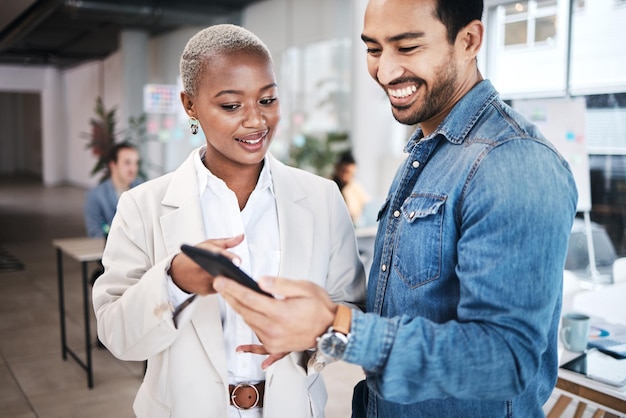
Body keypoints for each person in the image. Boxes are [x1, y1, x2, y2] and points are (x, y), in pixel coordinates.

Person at [214, 1, 579, 417]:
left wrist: (337, 325)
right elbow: (411, 310)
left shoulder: (511, 162)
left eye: (406, 48)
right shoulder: (428, 153)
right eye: (373, 49)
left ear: (469, 41)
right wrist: (315, 319)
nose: (385, 72)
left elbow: (504, 360)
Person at [91, 24, 365, 418]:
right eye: (231, 106)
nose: (256, 121)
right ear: (190, 106)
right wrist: (174, 281)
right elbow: (116, 335)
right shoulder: (142, 206)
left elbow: (350, 309)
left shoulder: (321, 199)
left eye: (267, 99)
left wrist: (312, 335)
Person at [83, 141, 141, 238]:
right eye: (127, 163)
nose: (133, 169)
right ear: (113, 164)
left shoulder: (142, 189)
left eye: (136, 163)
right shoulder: (96, 196)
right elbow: (95, 233)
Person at [331, 150, 370, 225]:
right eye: (344, 171)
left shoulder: (356, 187)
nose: (346, 176)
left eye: (350, 173)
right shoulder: (328, 184)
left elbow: (367, 206)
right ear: (337, 168)